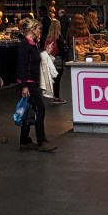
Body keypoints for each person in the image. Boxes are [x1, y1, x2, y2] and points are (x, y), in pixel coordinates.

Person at [16, 18, 56, 153]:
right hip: (27, 81)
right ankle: (41, 140)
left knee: (29, 110)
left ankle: (25, 140)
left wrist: (46, 53)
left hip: (32, 80)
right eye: (39, 29)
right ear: (33, 29)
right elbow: (21, 65)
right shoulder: (24, 44)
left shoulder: (33, 44)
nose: (40, 32)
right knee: (40, 109)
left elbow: (35, 61)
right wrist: (24, 85)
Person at [45, 17, 68, 105]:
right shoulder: (59, 37)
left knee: (54, 79)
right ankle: (56, 97)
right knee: (58, 79)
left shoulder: (48, 36)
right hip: (58, 59)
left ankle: (54, 96)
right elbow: (62, 50)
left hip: (50, 58)